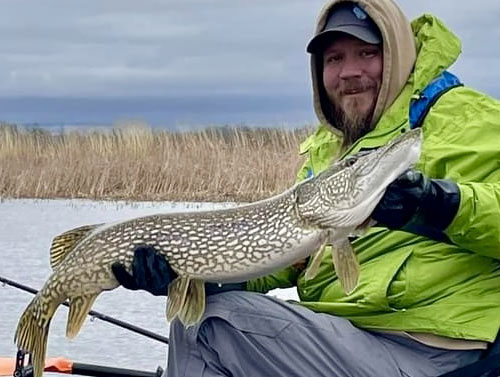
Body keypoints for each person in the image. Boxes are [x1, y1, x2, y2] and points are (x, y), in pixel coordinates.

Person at [111, 0, 500, 376]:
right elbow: (283, 261)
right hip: (347, 338)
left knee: (208, 327)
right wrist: (194, 275)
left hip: (433, 348)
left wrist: (443, 204)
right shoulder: (332, 151)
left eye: (366, 53)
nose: (349, 72)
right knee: (195, 313)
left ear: (398, 54)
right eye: (335, 59)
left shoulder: (461, 115)